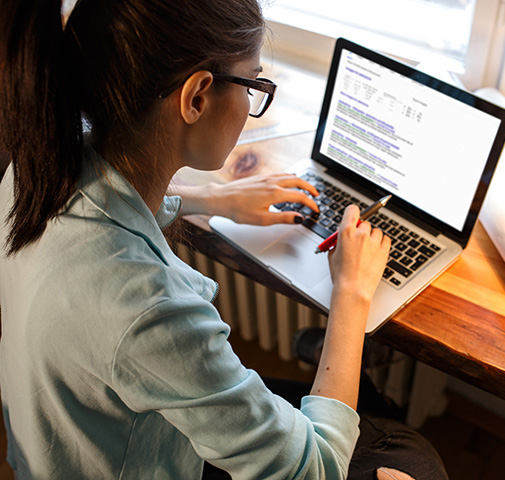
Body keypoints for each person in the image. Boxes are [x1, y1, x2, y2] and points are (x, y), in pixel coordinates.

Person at [0, 1, 448, 479]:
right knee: (409, 455)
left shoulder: (43, 158)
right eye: (255, 84)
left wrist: (214, 200)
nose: (253, 106)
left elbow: (107, 202)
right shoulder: (147, 310)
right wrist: (353, 295)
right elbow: (316, 470)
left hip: (63, 448)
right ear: (196, 97)